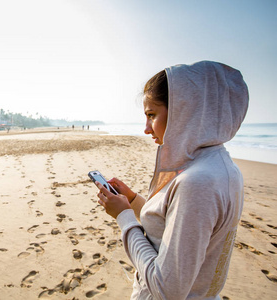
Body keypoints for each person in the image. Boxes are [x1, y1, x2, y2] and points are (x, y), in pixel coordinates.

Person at [96, 61, 248, 299]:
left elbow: (167, 289)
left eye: (152, 115)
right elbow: (170, 224)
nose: (146, 128)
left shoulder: (198, 182)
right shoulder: (221, 167)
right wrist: (133, 200)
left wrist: (123, 217)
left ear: (186, 112)